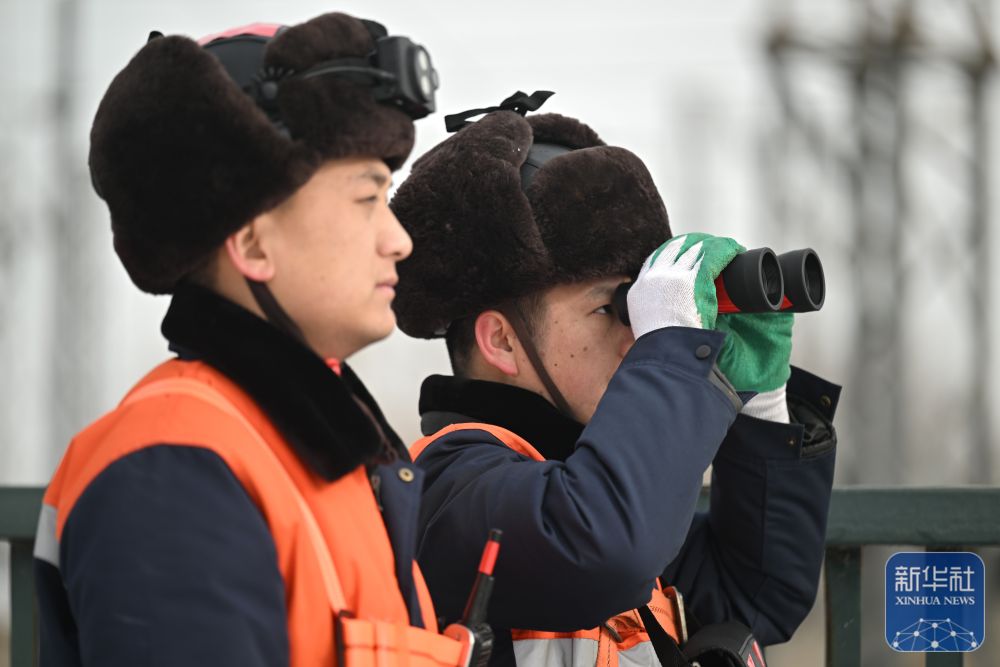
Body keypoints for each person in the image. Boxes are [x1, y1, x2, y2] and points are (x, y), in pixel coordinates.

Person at [33, 14, 472, 667]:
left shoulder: (326, 463)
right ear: (253, 242)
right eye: (367, 198)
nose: (398, 238)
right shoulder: (171, 471)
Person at [389, 98, 840, 667]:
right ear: (501, 341)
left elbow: (756, 599)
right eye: (614, 308)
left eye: (647, 310)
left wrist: (761, 404)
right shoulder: (447, 489)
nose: (638, 338)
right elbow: (601, 548)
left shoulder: (605, 484)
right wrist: (672, 351)